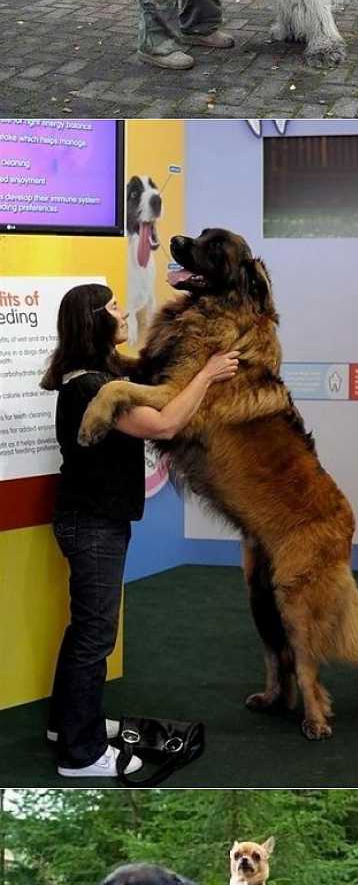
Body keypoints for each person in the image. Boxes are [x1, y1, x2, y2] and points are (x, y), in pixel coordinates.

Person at [42, 279, 238, 781]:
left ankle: (66, 724)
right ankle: (80, 754)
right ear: (95, 322)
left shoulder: (96, 375)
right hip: (93, 524)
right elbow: (166, 423)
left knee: (85, 629)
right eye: (112, 307)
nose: (123, 311)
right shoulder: (91, 387)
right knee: (96, 635)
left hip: (87, 520)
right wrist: (210, 374)